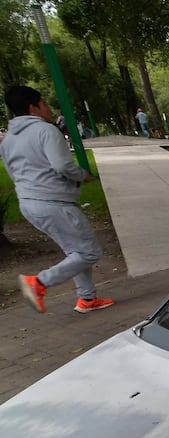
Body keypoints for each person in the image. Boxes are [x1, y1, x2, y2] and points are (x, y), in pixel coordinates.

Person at [1, 86, 114, 314]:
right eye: (45, 104)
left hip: (29, 203)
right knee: (89, 253)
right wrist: (81, 175)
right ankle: (38, 283)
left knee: (76, 251)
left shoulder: (9, 139)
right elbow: (62, 165)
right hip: (53, 203)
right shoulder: (45, 130)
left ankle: (87, 299)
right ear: (34, 108)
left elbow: (12, 171)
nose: (49, 109)